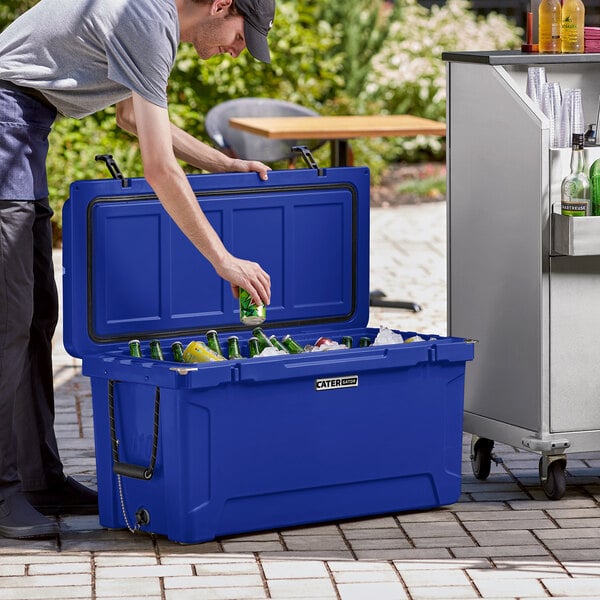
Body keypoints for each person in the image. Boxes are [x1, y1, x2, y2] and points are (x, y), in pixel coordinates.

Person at [0, 0, 275, 539]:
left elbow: (131, 117)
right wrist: (223, 259)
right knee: (7, 326)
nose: (238, 50)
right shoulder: (146, 19)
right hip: (6, 118)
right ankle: (3, 491)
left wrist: (222, 164)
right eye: (243, 35)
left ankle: (40, 480)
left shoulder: (150, 21)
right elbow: (157, 167)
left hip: (24, 126)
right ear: (222, 5)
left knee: (34, 322)